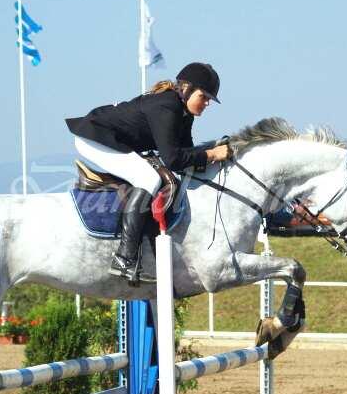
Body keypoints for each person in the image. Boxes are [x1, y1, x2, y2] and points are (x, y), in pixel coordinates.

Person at [65, 62, 231, 282]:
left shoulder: (183, 112)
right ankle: (124, 258)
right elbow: (173, 160)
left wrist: (212, 152)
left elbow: (185, 154)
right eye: (204, 96)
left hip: (110, 138)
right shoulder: (167, 107)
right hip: (94, 137)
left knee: (150, 176)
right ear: (186, 89)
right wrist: (212, 154)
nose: (207, 103)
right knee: (148, 178)